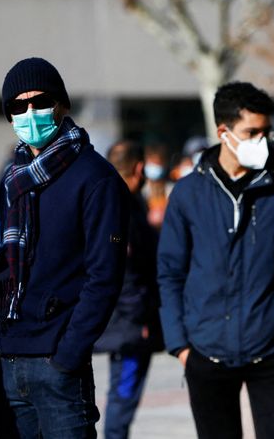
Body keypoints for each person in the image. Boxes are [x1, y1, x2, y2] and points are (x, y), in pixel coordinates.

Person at [158, 82, 274, 439]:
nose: (262, 140)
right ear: (224, 132)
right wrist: (181, 345)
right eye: (252, 132)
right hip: (206, 352)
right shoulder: (188, 193)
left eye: (267, 132)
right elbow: (170, 271)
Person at [0, 57, 129, 438]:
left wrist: (68, 354)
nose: (30, 113)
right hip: (10, 357)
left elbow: (105, 277)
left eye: (40, 102)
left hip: (58, 364)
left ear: (62, 105)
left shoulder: (96, 177)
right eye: (18, 106)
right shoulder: (12, 179)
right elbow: (5, 266)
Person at [94, 140, 164, 439]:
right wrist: (140, 318)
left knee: (120, 400)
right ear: (138, 168)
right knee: (121, 401)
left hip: (122, 320)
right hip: (129, 326)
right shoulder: (122, 206)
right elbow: (128, 274)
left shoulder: (110, 199)